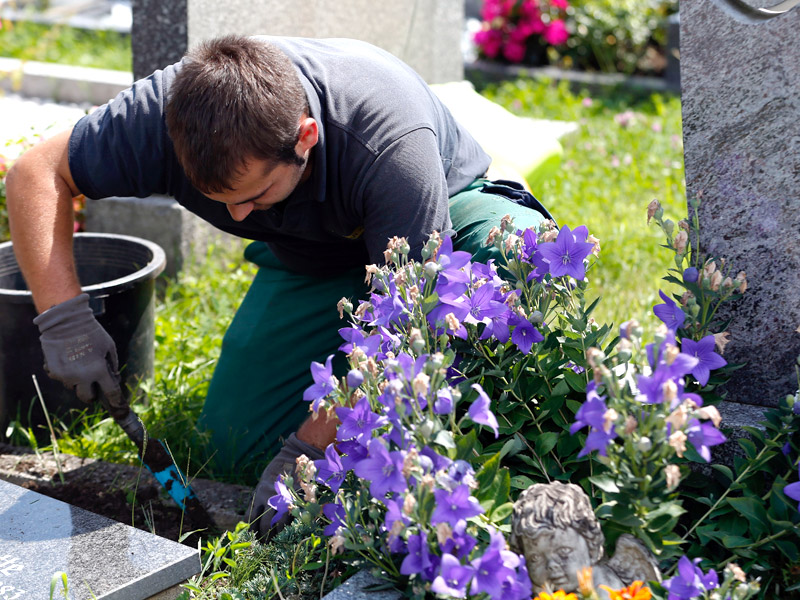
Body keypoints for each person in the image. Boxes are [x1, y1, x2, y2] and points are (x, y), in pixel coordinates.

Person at [6, 34, 552, 535]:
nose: (238, 216)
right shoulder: (168, 112)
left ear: (305, 137)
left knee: (515, 251)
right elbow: (36, 172)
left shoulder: (389, 143)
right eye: (219, 200)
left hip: (439, 238)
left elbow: (412, 320)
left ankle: (494, 423)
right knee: (235, 446)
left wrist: (307, 449)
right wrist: (65, 319)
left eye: (254, 195)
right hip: (315, 258)